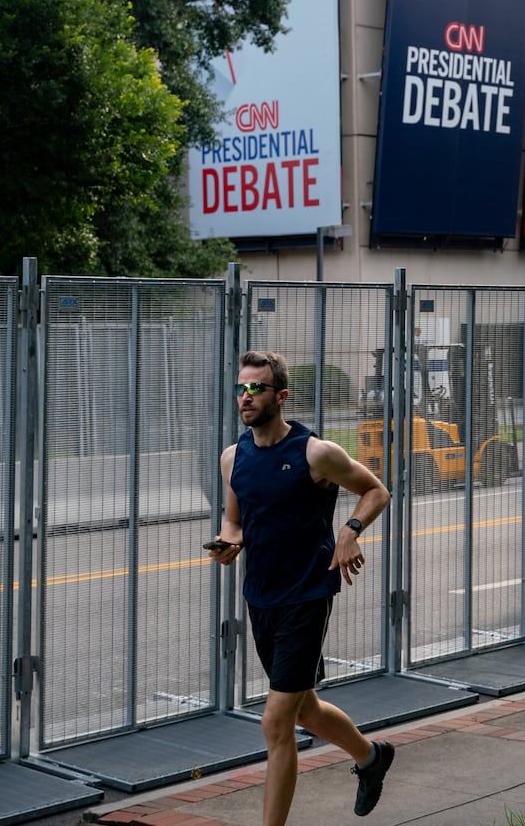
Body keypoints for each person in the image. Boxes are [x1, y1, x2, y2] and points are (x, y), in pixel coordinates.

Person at [208, 350, 395, 823]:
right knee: (305, 711)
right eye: (241, 387)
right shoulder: (233, 458)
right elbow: (235, 522)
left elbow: (376, 490)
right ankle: (372, 758)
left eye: (257, 388)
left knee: (275, 722)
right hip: (260, 596)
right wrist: (227, 544)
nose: (246, 396)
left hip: (308, 595)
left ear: (281, 396)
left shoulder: (316, 453)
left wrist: (349, 530)